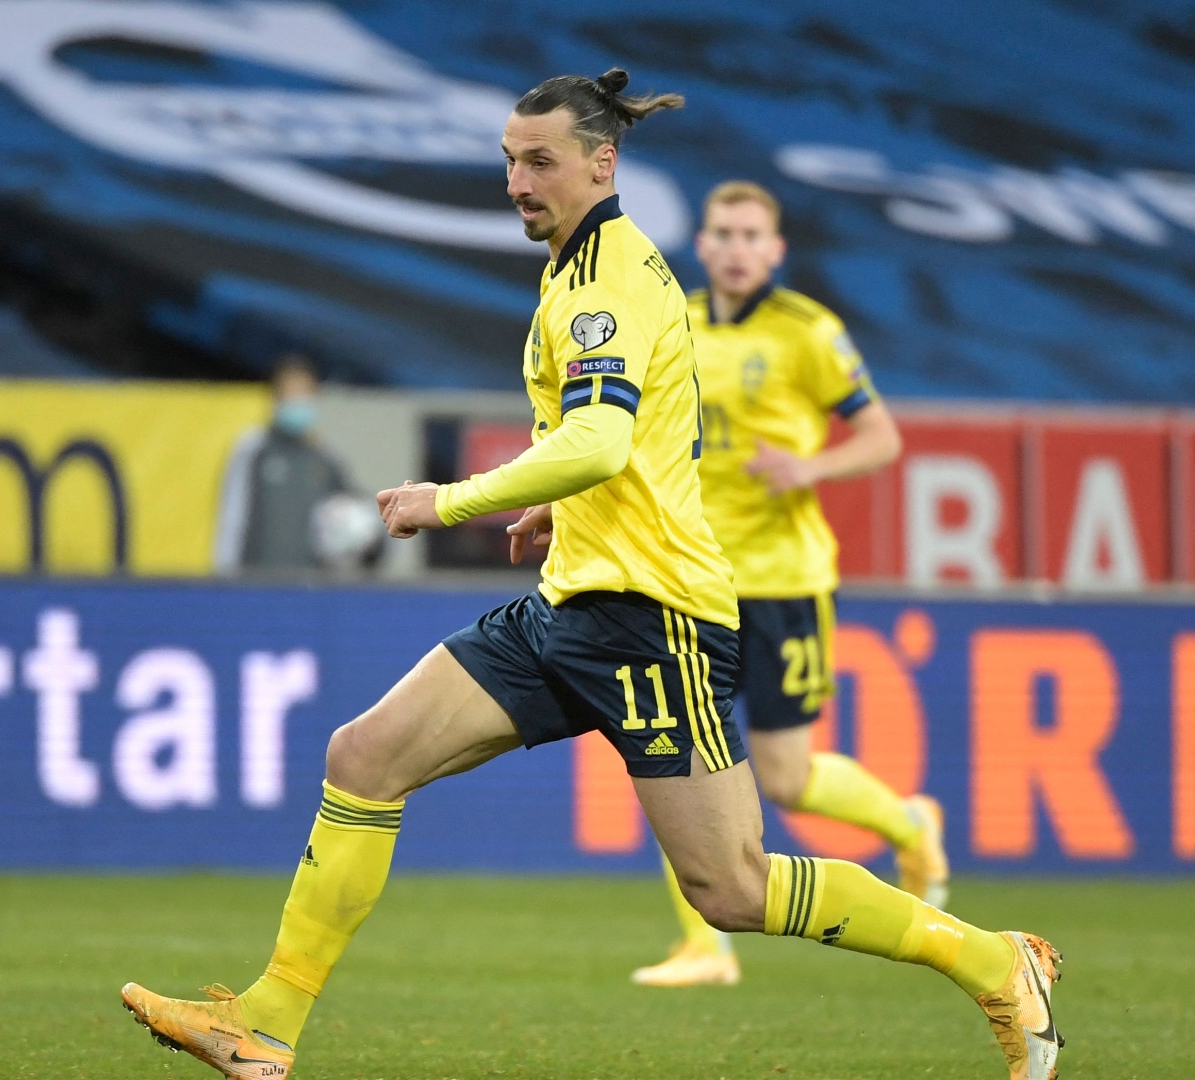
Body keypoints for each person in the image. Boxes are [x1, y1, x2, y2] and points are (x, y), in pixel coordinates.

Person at [118, 69, 1062, 1080]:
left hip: (655, 620)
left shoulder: (608, 279)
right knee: (364, 756)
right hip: (571, 602)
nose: (518, 181)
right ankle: (265, 1025)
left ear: (601, 164)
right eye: (510, 161)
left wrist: (453, 499)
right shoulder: (579, 268)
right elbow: (629, 443)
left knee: (732, 891)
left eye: (540, 161)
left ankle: (998, 965)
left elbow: (603, 439)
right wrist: (556, 503)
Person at [631, 180, 946, 988]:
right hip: (691, 572)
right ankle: (705, 946)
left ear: (774, 251)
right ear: (700, 244)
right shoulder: (672, 321)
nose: (736, 248)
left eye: (750, 236)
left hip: (784, 581)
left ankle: (909, 823)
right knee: (669, 750)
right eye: (722, 233)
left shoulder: (810, 332)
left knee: (785, 777)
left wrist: (808, 466)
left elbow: (880, 438)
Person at [212, 353, 355, 574]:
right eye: (290, 393)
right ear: (275, 398)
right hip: (256, 586)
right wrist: (225, 578)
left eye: (305, 393)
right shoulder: (252, 450)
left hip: (312, 590)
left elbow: (350, 518)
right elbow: (232, 519)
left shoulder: (326, 459)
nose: (298, 401)